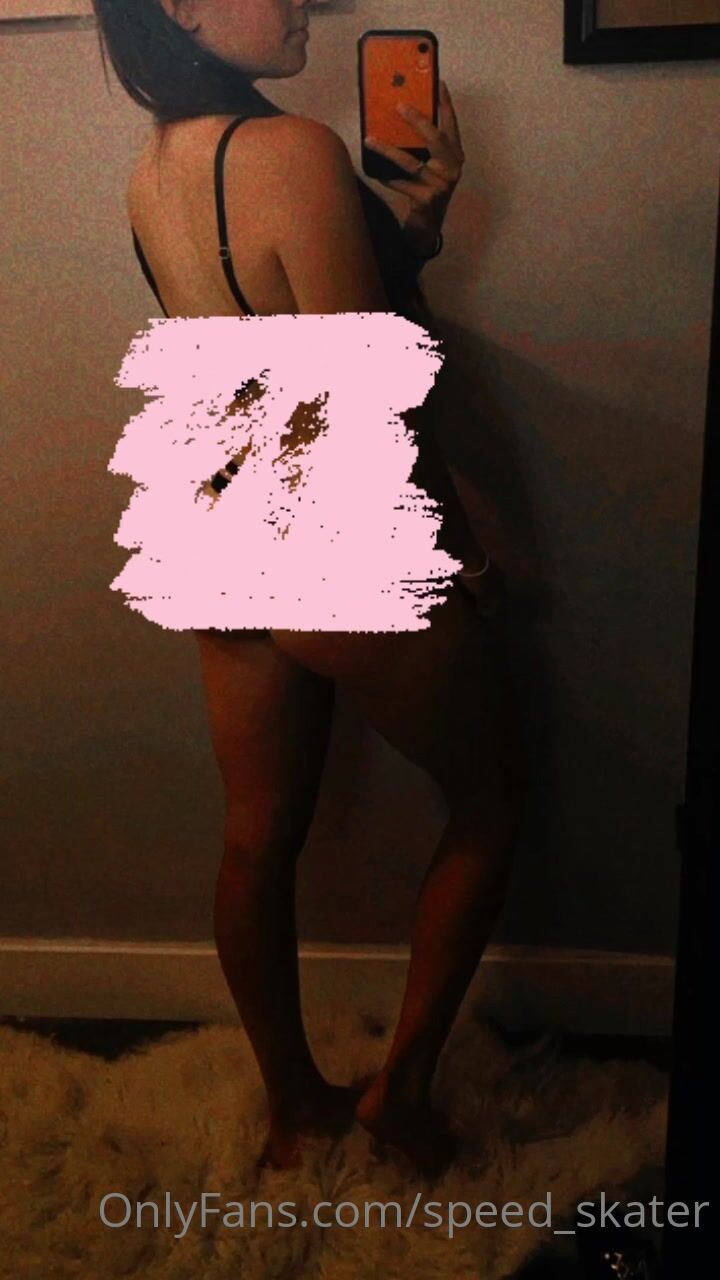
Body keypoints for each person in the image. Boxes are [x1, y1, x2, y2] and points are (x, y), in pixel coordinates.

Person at [92, 0, 530, 1177]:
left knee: (255, 838)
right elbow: (369, 391)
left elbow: (276, 332)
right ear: (180, 4)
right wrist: (465, 552)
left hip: (225, 512)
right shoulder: (291, 150)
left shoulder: (155, 167)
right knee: (492, 801)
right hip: (330, 525)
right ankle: (402, 1097)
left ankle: (294, 1107)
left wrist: (415, 226)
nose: (297, 0)